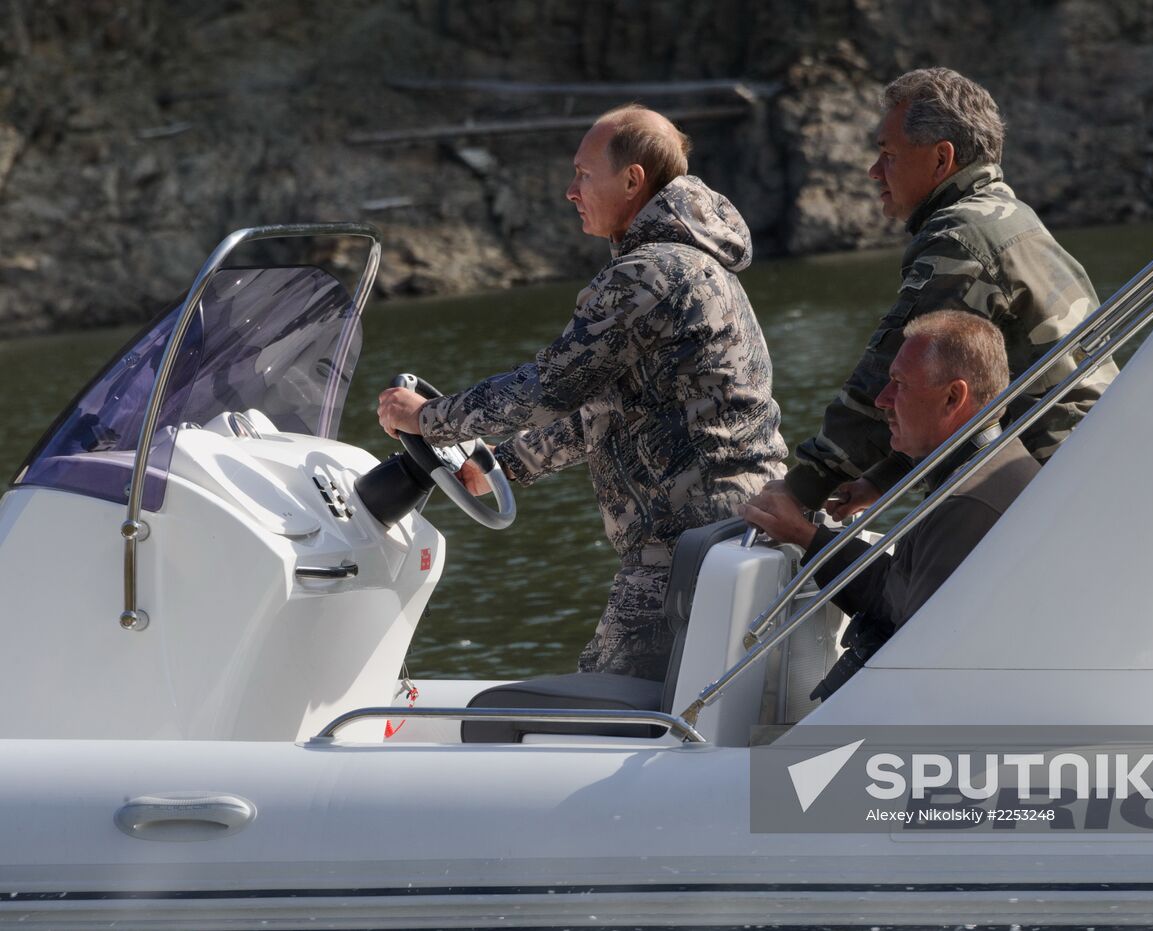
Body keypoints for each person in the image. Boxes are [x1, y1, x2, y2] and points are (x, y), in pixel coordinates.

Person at [378, 105, 786, 681]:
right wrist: (502, 463)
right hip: (735, 526)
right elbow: (607, 410)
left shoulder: (647, 275)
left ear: (632, 180)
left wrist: (431, 419)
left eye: (583, 174)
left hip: (681, 545)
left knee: (601, 709)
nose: (571, 191)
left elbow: (547, 388)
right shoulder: (692, 264)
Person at [777, 67, 1113, 518]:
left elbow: (892, 380)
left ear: (941, 159)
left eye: (888, 155)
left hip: (1052, 490)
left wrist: (802, 488)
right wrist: (882, 477)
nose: (874, 172)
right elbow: (951, 389)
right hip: (1087, 464)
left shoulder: (961, 239)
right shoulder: (1009, 216)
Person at [743, 310, 1039, 700]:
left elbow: (914, 658)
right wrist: (809, 536)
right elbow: (896, 593)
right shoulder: (988, 467)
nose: (882, 400)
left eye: (899, 384)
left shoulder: (966, 503)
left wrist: (804, 535)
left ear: (954, 397)